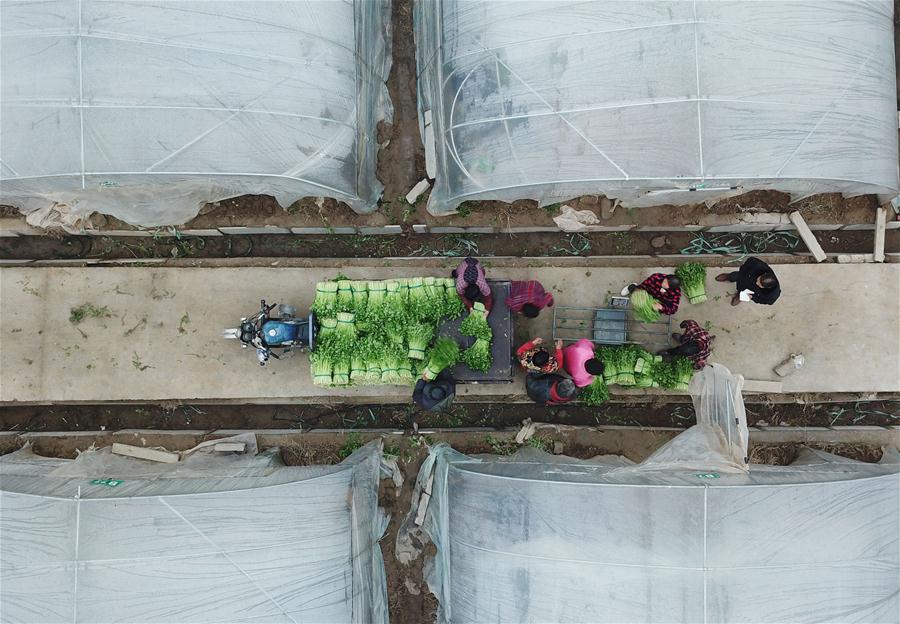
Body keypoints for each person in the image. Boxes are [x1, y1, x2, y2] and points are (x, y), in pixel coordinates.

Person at [715, 257, 780, 306]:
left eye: (760, 284)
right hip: (745, 277)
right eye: (758, 279)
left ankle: (739, 296)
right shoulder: (758, 265)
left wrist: (753, 298)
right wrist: (742, 273)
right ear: (764, 274)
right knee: (735, 276)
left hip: (751, 291)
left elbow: (765, 301)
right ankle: (729, 277)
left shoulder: (772, 295)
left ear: (767, 287)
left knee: (743, 293)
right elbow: (749, 261)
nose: (757, 282)